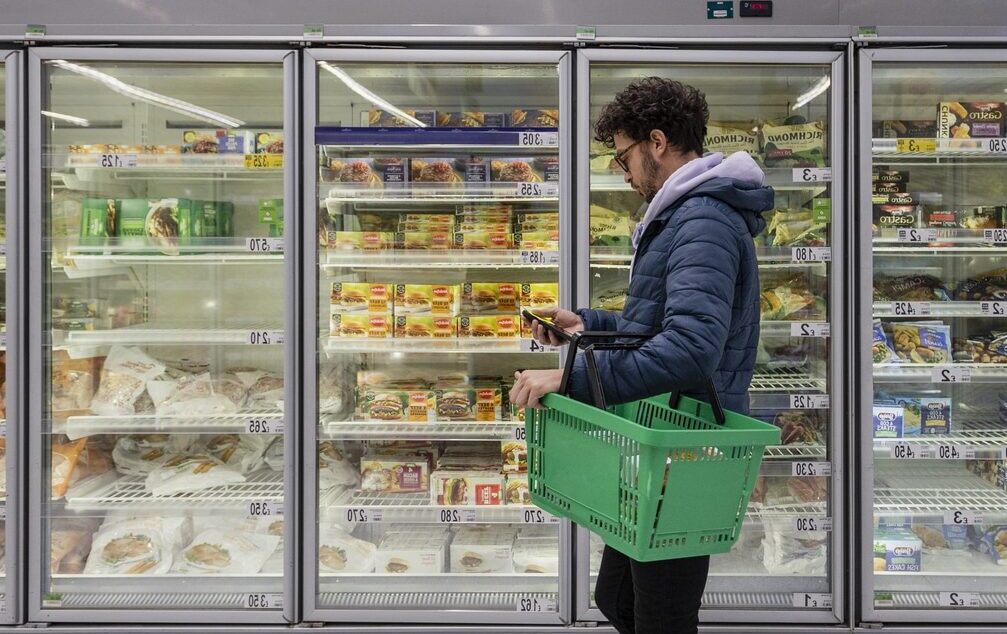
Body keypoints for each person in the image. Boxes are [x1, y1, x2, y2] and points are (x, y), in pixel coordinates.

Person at [508, 77, 773, 633]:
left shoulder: (703, 219)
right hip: (661, 433)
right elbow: (661, 325)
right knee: (619, 601)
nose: (623, 173)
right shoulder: (684, 215)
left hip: (686, 441)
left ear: (656, 142)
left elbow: (692, 348)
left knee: (661, 617)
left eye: (622, 156)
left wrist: (572, 379)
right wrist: (590, 327)